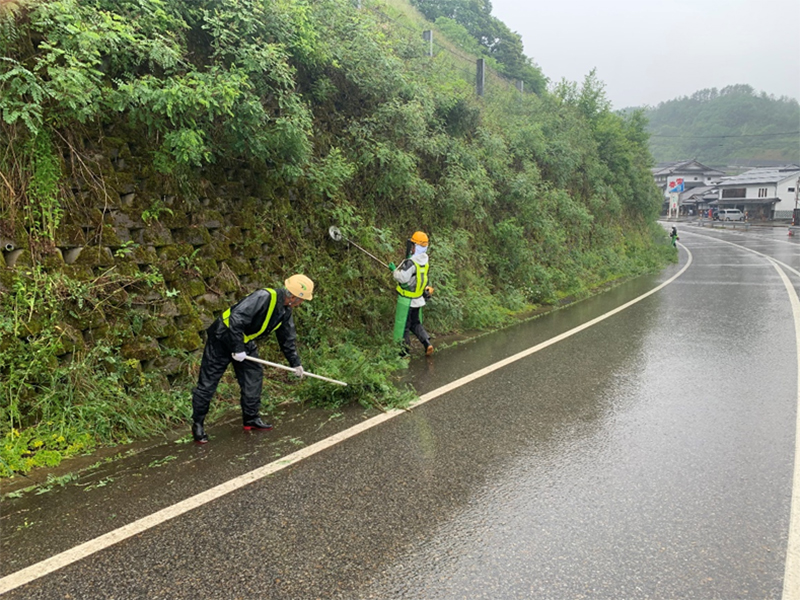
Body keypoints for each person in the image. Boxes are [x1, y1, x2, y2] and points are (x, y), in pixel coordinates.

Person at [190, 274, 314, 443]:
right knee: (209, 382)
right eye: (302, 299)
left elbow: (287, 339)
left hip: (244, 341)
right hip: (222, 337)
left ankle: (251, 418)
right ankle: (198, 424)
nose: (302, 303)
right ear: (293, 297)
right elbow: (236, 318)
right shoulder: (263, 297)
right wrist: (237, 349)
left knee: (253, 376)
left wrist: (295, 363)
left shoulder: (285, 311)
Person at [389, 231, 433, 356]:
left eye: (413, 245)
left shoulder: (411, 263)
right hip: (418, 299)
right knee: (415, 323)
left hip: (407, 300)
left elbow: (402, 278)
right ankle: (427, 343)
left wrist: (394, 271)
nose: (411, 248)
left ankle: (404, 352)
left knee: (404, 326)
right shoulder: (424, 261)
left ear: (416, 247)